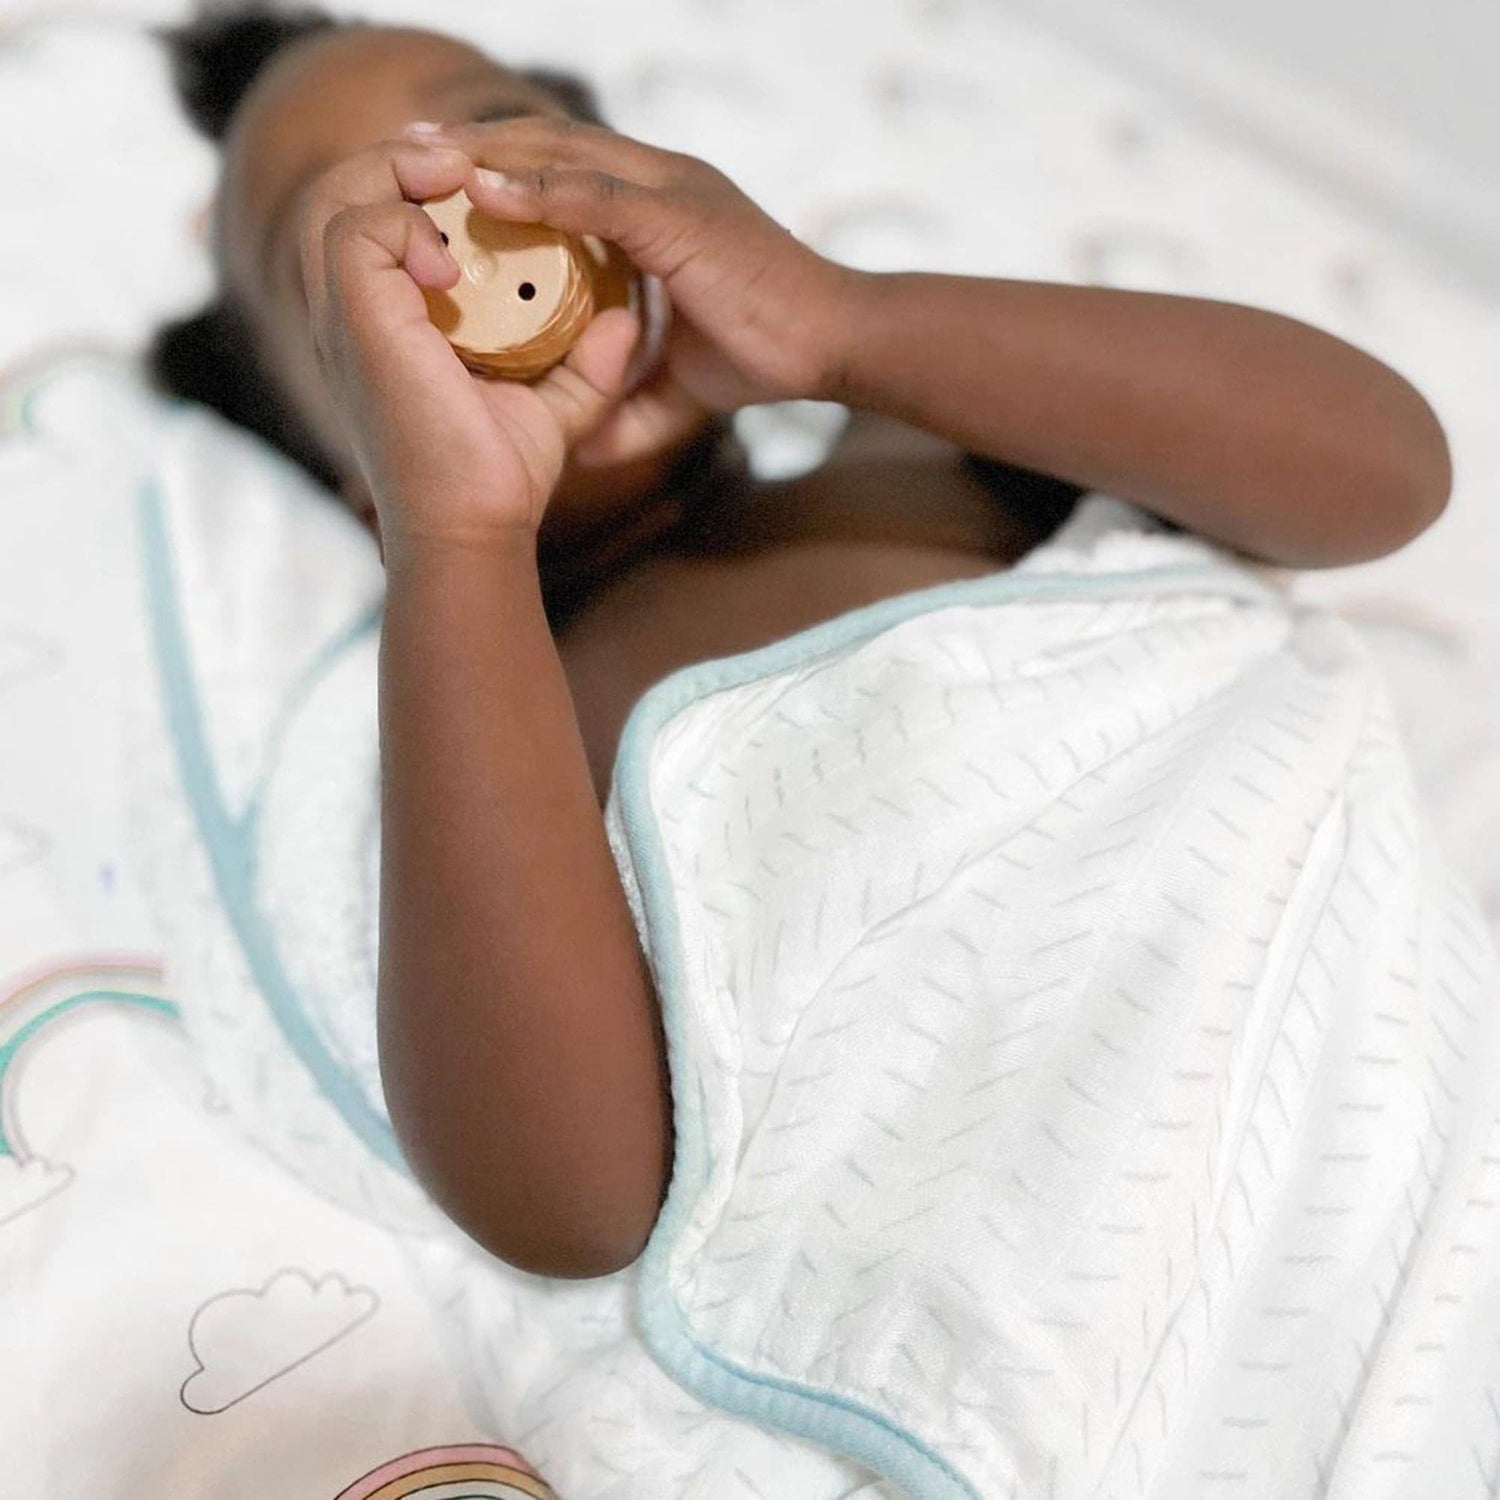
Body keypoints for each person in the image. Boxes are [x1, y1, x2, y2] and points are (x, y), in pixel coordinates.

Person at [146, 5, 1453, 1282]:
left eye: (495, 136)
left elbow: (1385, 475)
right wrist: (458, 543)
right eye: (345, 253)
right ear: (350, 480)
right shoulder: (512, 716)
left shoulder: (934, 434)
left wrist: (840, 325)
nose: (453, 224)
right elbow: (568, 1206)